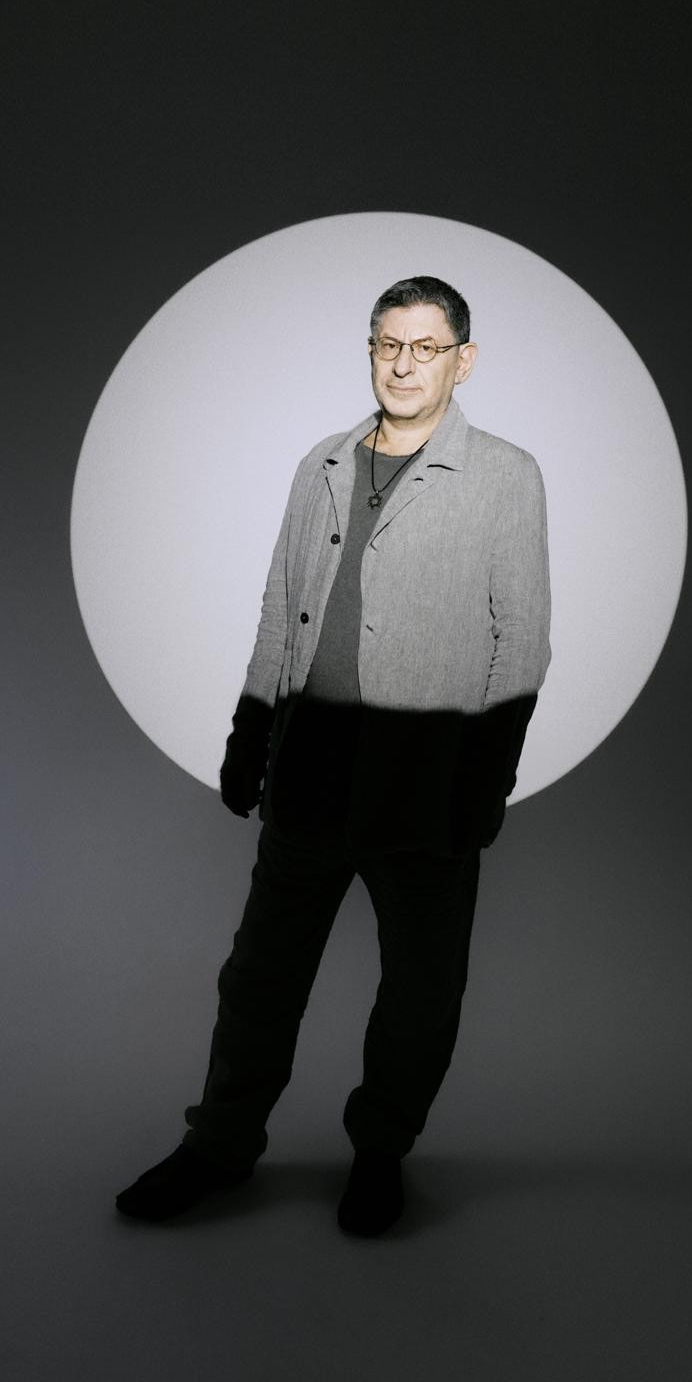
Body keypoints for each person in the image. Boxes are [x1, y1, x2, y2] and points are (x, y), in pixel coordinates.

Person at [116, 275, 552, 1236]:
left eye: (425, 347)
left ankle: (380, 1155)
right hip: (309, 777)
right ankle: (219, 1145)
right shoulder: (320, 463)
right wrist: (249, 740)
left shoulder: (506, 475)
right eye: (388, 344)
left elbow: (521, 642)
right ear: (370, 351)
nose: (404, 364)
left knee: (419, 995)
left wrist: (483, 781)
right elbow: (283, 611)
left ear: (463, 361)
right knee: (258, 981)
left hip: (425, 789)